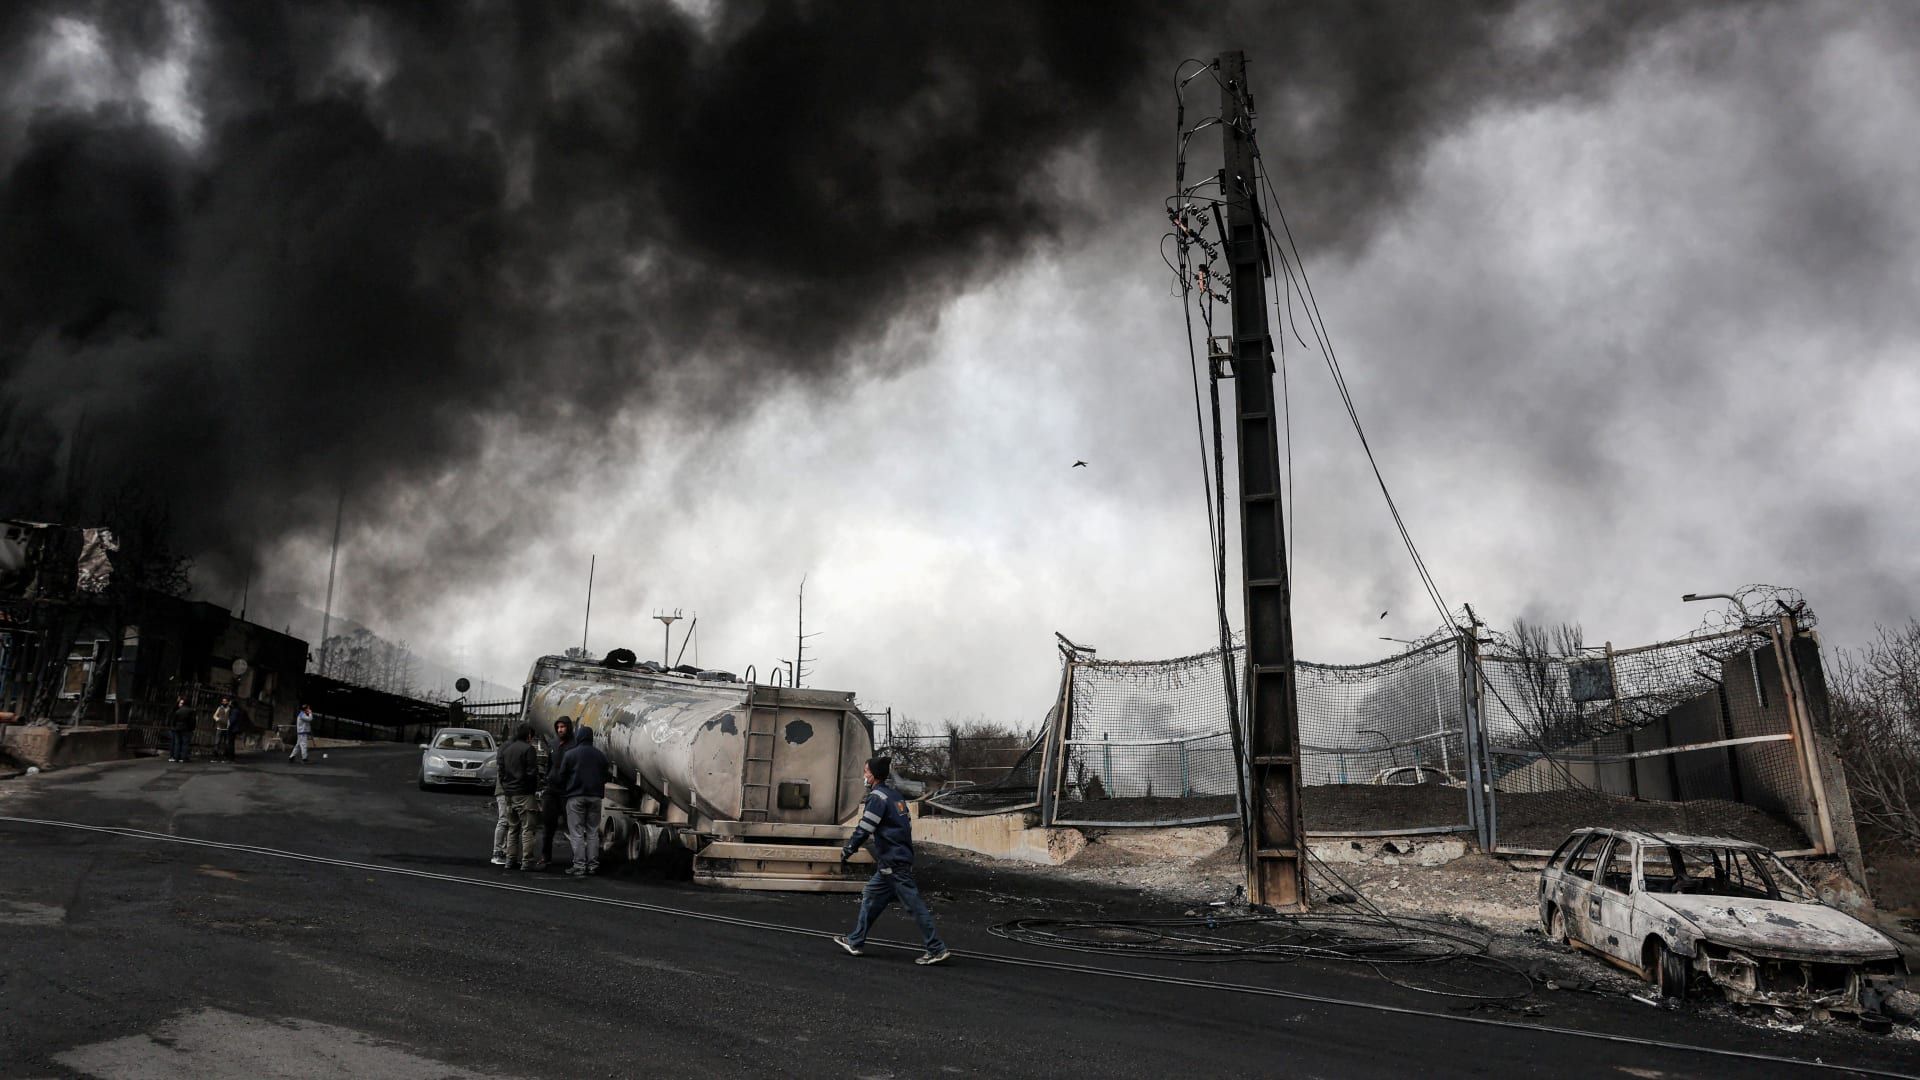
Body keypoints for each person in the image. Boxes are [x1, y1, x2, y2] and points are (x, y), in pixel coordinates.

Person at [833, 757, 950, 965]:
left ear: (874, 775)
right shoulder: (895, 796)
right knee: (871, 895)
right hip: (894, 860)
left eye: (866, 772)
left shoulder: (877, 798)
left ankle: (936, 948)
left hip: (893, 862)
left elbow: (865, 828)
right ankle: (855, 941)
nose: (864, 775)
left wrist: (848, 849)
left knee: (914, 905)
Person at [555, 725, 609, 876]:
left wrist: (566, 789)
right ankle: (593, 865)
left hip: (575, 797)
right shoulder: (600, 756)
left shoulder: (570, 754)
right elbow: (606, 776)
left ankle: (579, 865)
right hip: (595, 797)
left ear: (578, 737)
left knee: (577, 831)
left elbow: (562, 776)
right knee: (593, 832)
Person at [496, 723, 541, 871]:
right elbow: (532, 773)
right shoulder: (529, 749)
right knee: (528, 829)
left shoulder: (507, 749)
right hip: (525, 794)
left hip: (509, 794)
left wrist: (507, 787)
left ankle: (510, 859)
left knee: (512, 828)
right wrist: (533, 789)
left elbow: (501, 772)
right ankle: (527, 861)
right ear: (528, 735)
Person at [538, 717, 575, 869]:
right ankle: (545, 857)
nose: (560, 730)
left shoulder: (574, 745)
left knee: (571, 826)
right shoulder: (553, 744)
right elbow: (550, 764)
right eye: (558, 727)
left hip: (566, 791)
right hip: (551, 789)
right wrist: (547, 778)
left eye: (563, 727)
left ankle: (577, 860)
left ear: (568, 728)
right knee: (548, 825)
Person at [167, 695, 196, 763]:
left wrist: (174, 727)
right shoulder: (191, 711)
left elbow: (174, 720)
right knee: (185, 744)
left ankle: (176, 757)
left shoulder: (178, 711)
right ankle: (183, 758)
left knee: (177, 743)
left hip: (177, 729)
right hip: (186, 729)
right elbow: (192, 721)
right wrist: (192, 728)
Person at [212, 697, 234, 761]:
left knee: (226, 743)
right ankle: (215, 755)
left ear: (227, 702)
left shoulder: (230, 709)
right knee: (217, 742)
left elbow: (231, 717)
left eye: (225, 701)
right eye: (223, 701)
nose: (224, 702)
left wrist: (229, 722)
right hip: (219, 727)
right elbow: (214, 715)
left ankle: (225, 755)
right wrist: (217, 719)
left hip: (226, 728)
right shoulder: (219, 708)